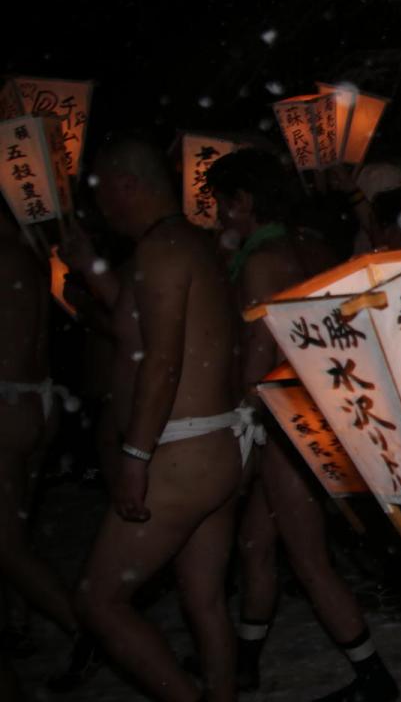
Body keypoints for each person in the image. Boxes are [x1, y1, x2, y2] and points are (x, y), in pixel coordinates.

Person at [204, 148, 399, 702]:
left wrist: (236, 419)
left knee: (307, 557)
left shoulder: (264, 260)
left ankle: (372, 677)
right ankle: (243, 660)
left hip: (285, 423)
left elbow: (259, 361)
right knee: (256, 546)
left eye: (222, 203)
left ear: (244, 201)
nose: (219, 215)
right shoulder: (308, 245)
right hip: (313, 414)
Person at [70, 136, 244, 702]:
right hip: (218, 445)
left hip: (180, 452)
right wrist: (91, 271)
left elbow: (163, 361)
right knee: (204, 599)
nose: (101, 210)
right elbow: (137, 323)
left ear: (126, 185)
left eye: (102, 195)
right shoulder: (190, 245)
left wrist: (135, 455)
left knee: (100, 600)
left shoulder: (162, 250)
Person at [0, 207, 85, 694]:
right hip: (39, 397)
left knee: (6, 541)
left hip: (8, 401)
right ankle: (19, 623)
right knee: (18, 528)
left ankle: (87, 630)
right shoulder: (29, 255)